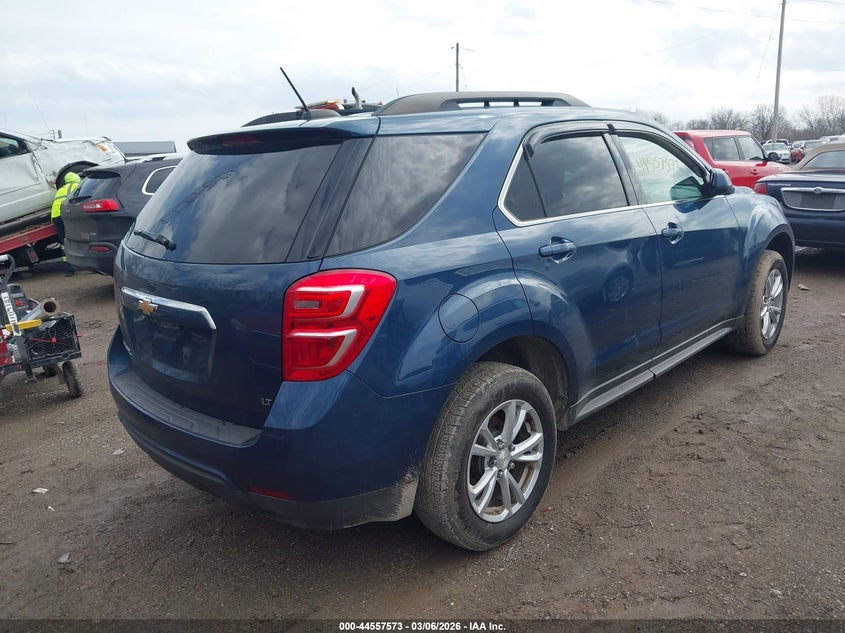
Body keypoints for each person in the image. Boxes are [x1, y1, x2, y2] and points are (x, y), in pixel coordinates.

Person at [51, 172, 81, 276]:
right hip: (66, 215)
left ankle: (68, 269)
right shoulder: (77, 186)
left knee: (64, 242)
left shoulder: (61, 189)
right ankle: (80, 264)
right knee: (76, 239)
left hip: (56, 216)